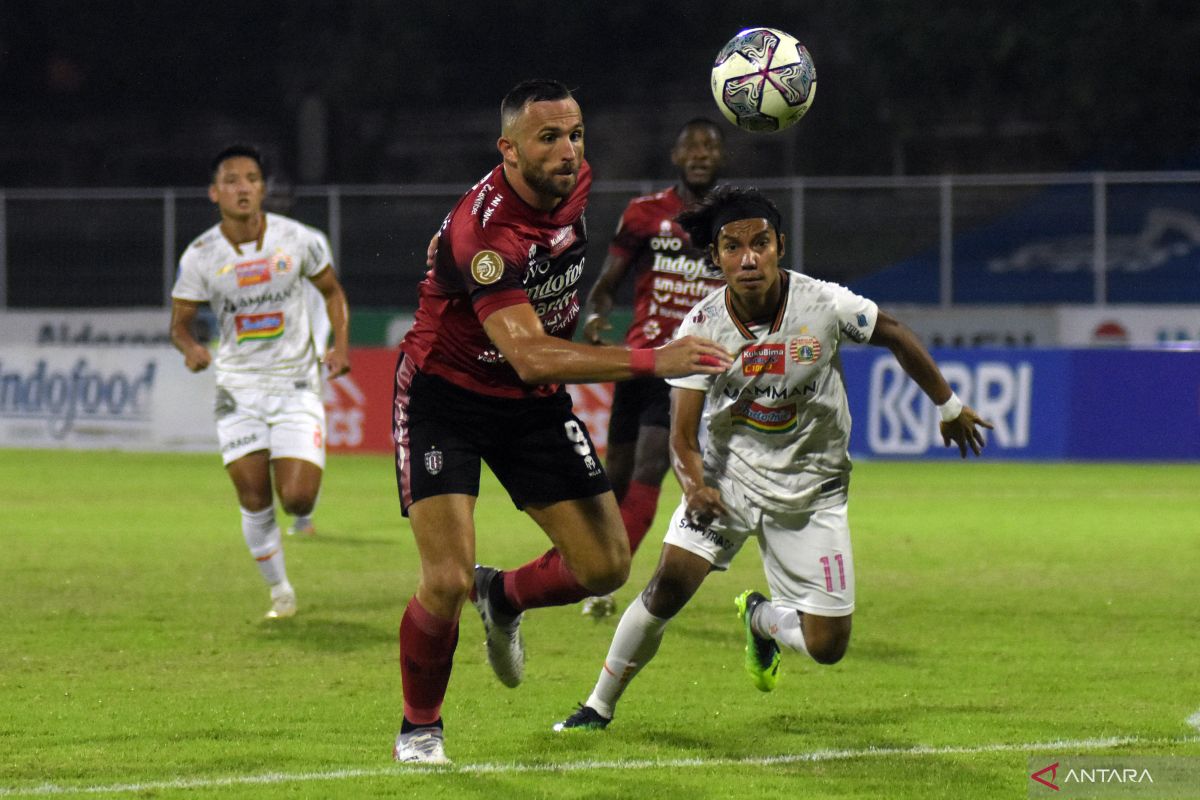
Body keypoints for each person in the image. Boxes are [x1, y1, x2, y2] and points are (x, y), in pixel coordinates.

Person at [553, 186, 992, 732]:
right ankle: (597, 706)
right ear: (715, 258)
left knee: (828, 646)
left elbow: (897, 334)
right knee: (667, 586)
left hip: (813, 491)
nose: (749, 258)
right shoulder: (700, 329)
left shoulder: (824, 305)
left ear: (780, 246)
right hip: (727, 484)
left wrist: (948, 407)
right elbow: (683, 436)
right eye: (733, 247)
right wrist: (694, 487)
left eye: (760, 243)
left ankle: (761, 619)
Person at [390, 79, 732, 765]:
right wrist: (653, 358)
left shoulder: (572, 181)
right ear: (508, 149)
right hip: (446, 397)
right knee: (445, 578)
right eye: (549, 137)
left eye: (575, 134)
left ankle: (504, 593)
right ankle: (420, 728)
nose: (568, 150)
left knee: (606, 565)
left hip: (528, 408)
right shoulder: (486, 234)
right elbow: (531, 356)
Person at [169, 144, 351, 620]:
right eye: (231, 180)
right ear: (214, 193)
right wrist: (191, 349)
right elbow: (179, 324)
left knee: (297, 498)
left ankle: (298, 485)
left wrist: (340, 347)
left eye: (251, 178)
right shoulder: (200, 256)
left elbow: (333, 293)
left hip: (294, 384)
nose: (242, 187)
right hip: (238, 389)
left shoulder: (298, 239)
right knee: (253, 497)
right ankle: (281, 592)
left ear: (263, 188)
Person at [575, 118, 729, 619]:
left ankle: (608, 580)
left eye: (711, 146)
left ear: (720, 158)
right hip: (640, 361)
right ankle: (593, 560)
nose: (702, 153)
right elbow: (608, 281)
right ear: (677, 156)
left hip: (693, 366)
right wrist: (596, 316)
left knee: (650, 465)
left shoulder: (732, 222)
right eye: (693, 146)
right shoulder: (644, 214)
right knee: (615, 476)